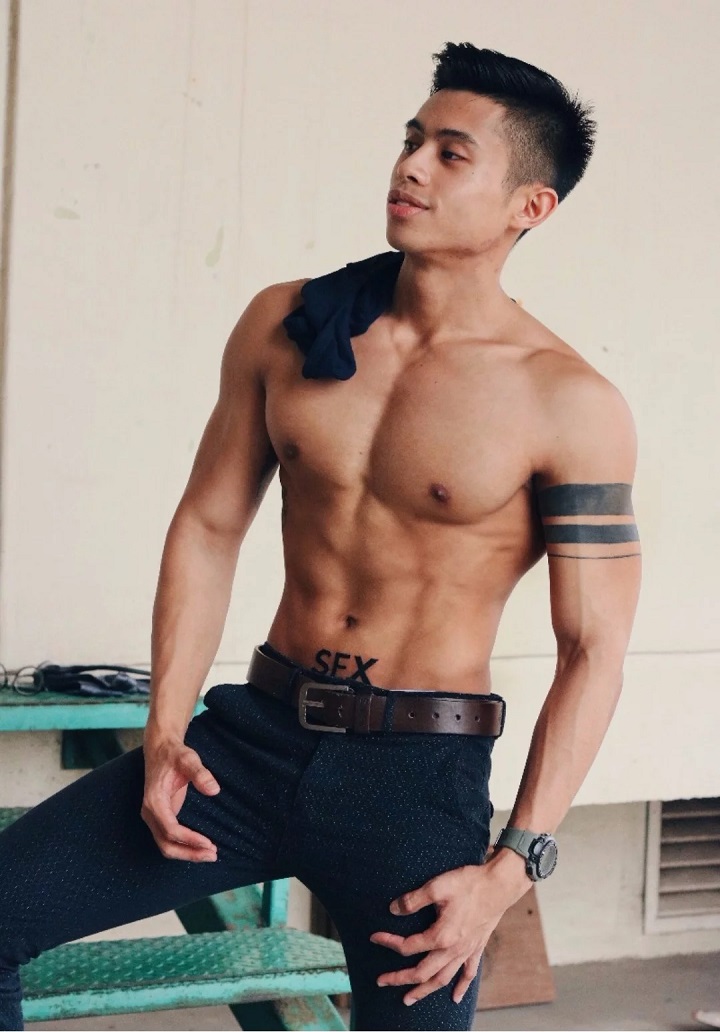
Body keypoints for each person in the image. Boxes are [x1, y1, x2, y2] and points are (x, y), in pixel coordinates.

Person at [0, 42, 641, 1032]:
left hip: (413, 780)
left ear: (531, 205)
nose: (411, 166)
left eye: (451, 154)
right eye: (411, 140)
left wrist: (513, 866)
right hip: (248, 743)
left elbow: (593, 648)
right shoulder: (288, 325)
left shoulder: (568, 403)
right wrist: (166, 731)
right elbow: (209, 525)